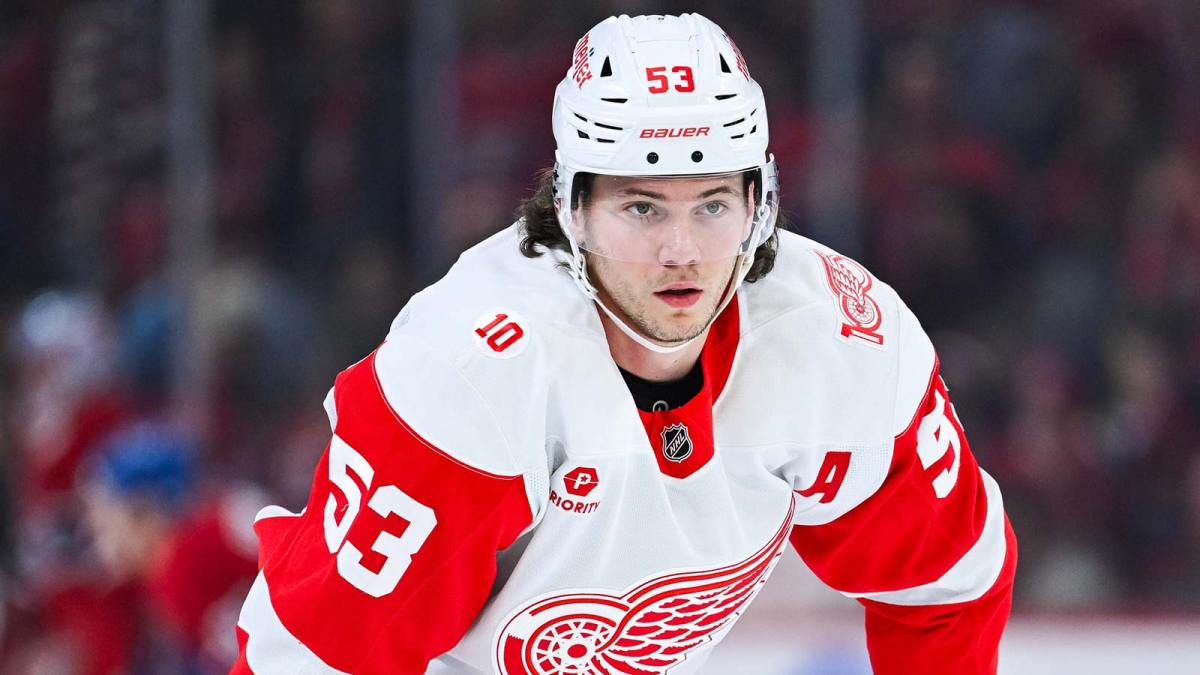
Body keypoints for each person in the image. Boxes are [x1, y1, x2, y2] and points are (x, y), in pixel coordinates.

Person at [232, 13, 1016, 675]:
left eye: (712, 204)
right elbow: (314, 655)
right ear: (571, 207)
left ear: (760, 202)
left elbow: (949, 590)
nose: (683, 250)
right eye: (643, 208)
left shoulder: (840, 341)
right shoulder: (473, 375)